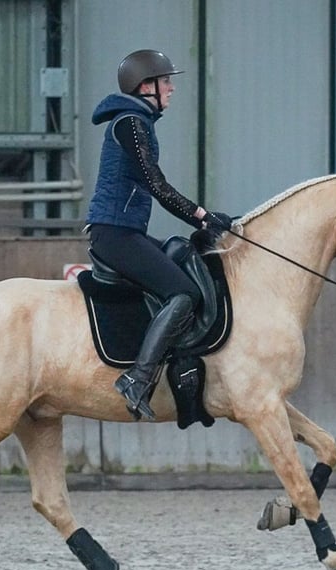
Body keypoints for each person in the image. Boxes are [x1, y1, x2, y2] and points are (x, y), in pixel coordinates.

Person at [84, 49, 234, 422]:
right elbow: (156, 183)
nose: (171, 88)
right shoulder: (131, 122)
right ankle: (137, 378)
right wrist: (201, 216)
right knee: (184, 292)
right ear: (145, 86)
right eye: (166, 81)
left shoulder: (138, 122)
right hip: (114, 234)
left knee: (176, 254)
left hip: (124, 232)